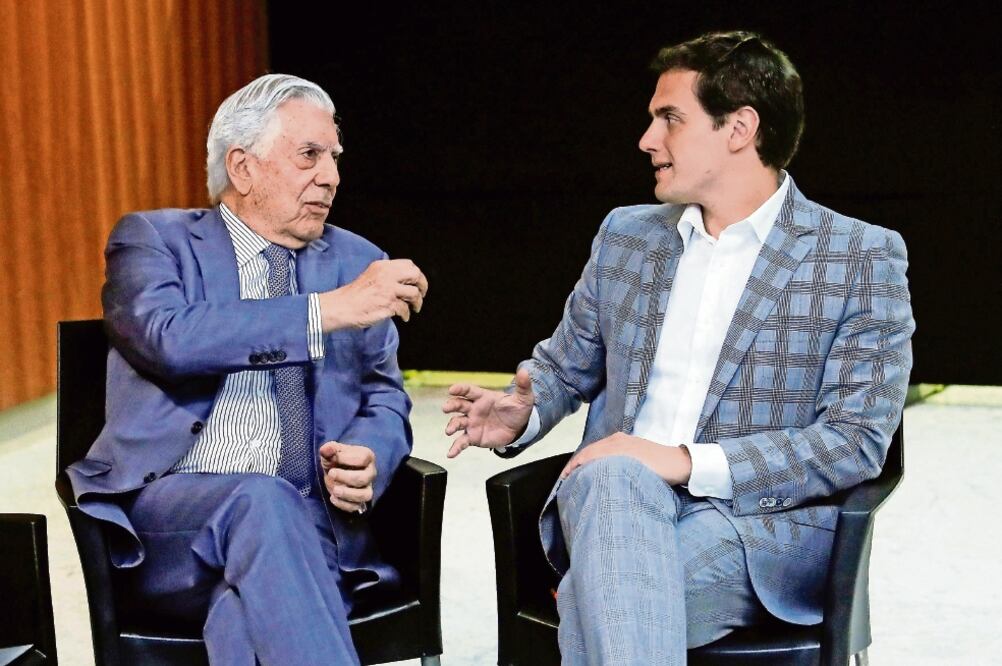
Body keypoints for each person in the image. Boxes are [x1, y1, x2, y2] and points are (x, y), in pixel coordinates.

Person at [443, 31, 914, 664]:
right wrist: (523, 411)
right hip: (609, 499)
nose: (647, 139)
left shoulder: (858, 255)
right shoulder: (627, 236)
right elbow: (564, 366)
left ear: (739, 128)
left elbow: (854, 442)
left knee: (596, 589)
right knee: (616, 478)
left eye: (670, 118)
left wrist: (684, 462)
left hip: (757, 530)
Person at [66, 73, 428, 665]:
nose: (331, 176)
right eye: (309, 155)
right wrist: (324, 312)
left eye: (334, 157)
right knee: (261, 500)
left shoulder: (360, 261)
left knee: (244, 612)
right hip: (173, 524)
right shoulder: (156, 241)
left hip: (312, 522)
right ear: (243, 167)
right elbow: (168, 339)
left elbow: (384, 398)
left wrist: (370, 453)